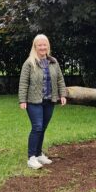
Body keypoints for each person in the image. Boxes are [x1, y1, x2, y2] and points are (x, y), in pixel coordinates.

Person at [18, 34, 67, 169]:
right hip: (33, 101)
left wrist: (62, 94)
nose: (42, 47)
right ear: (35, 47)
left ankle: (39, 154)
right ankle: (31, 157)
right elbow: (23, 83)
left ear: (48, 46)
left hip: (49, 100)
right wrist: (22, 100)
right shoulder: (29, 63)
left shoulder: (53, 62)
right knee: (37, 127)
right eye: (39, 45)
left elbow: (60, 80)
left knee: (43, 128)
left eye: (44, 44)